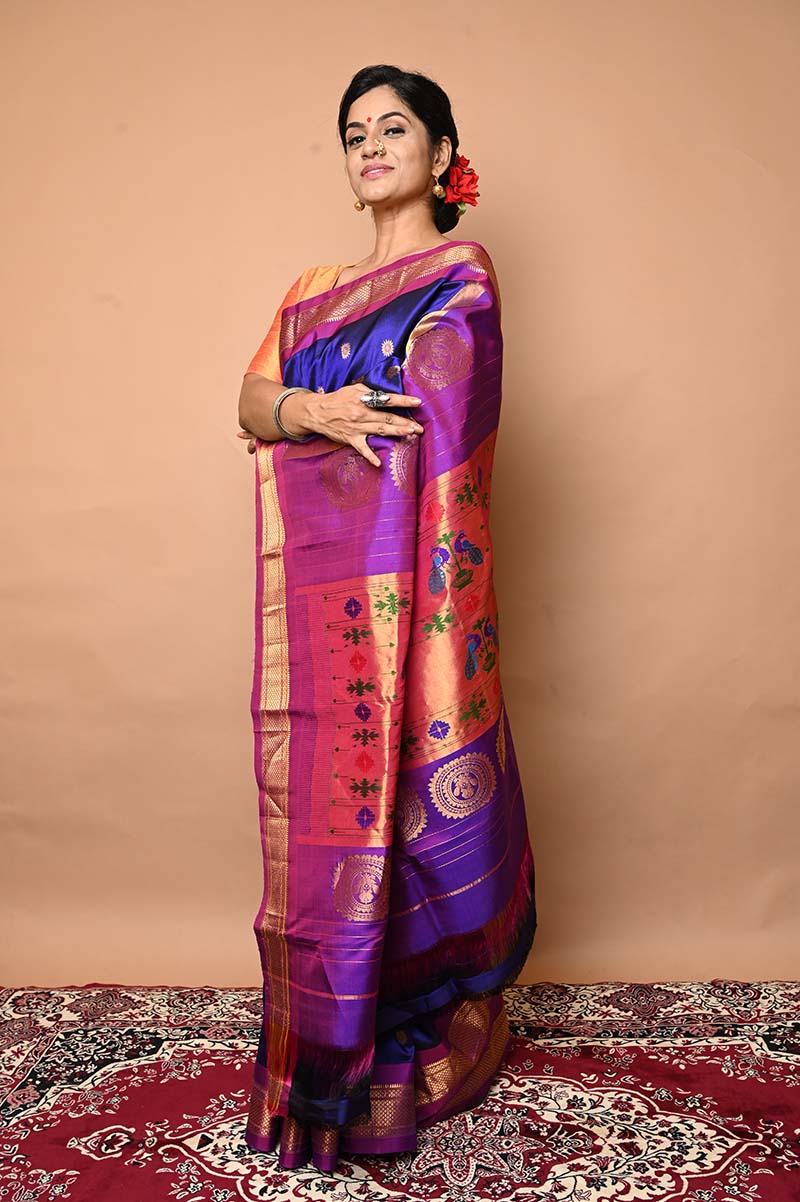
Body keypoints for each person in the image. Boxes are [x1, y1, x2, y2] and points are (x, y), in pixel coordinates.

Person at [236, 63, 537, 1174]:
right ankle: (332, 1026)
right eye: (353, 132)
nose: (369, 146)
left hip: (422, 600)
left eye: (392, 127)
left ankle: (423, 1014)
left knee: (415, 786)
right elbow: (250, 398)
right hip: (329, 607)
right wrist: (312, 407)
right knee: (332, 801)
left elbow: (433, 411)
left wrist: (329, 411)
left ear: (440, 150)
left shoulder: (461, 276)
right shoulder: (312, 288)